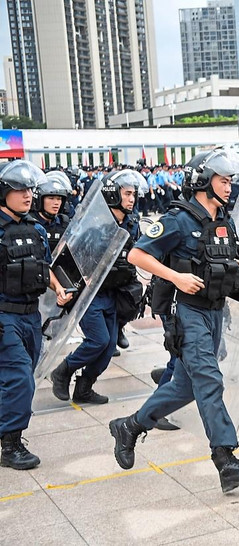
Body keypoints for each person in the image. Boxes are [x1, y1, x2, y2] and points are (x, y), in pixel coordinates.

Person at [108, 150, 239, 493]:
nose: (229, 187)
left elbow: (223, 259)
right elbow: (137, 254)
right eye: (223, 181)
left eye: (231, 181)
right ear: (203, 182)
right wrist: (176, 277)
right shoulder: (178, 220)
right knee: (209, 381)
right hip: (189, 313)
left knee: (183, 388)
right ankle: (226, 460)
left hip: (214, 312)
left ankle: (130, 426)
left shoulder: (223, 220)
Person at [0, 160, 73, 469]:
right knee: (19, 379)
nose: (28, 195)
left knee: (20, 377)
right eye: (19, 190)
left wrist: (58, 287)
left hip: (31, 317)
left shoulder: (36, 229)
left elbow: (45, 267)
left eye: (30, 189)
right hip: (5, 316)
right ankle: (11, 445)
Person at [50, 170, 142, 404]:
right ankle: (63, 370)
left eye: (134, 194)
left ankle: (84, 387)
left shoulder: (132, 225)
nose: (131, 199)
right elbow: (74, 255)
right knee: (98, 340)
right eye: (127, 193)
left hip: (115, 292)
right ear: (113, 194)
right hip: (91, 294)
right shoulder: (96, 223)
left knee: (109, 347)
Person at [32, 170, 72, 251]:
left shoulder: (64, 222)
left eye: (59, 199)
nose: (56, 203)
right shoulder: (30, 224)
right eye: (51, 198)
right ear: (40, 200)